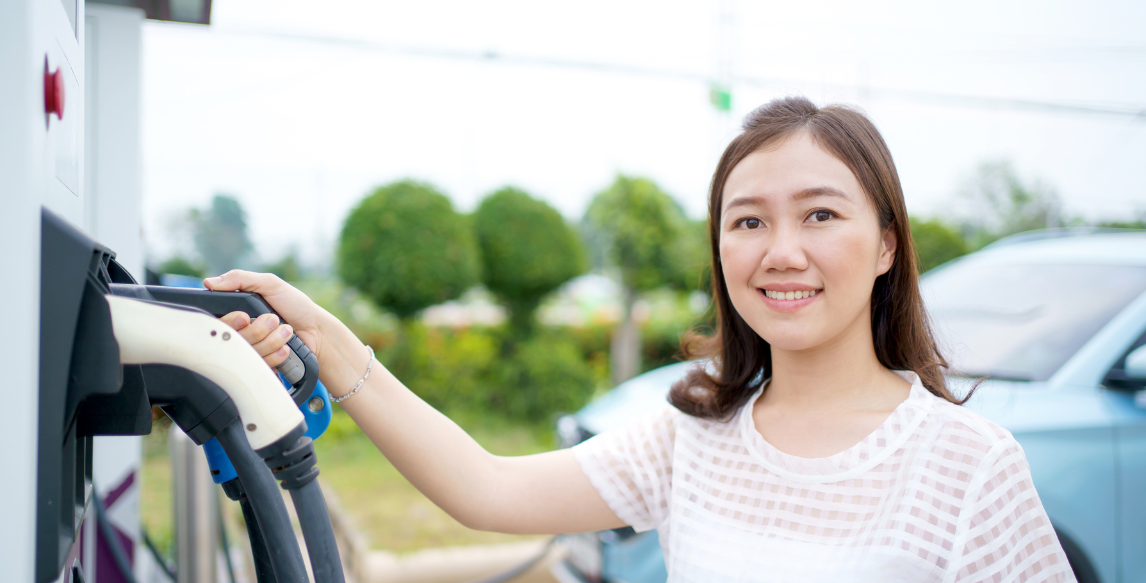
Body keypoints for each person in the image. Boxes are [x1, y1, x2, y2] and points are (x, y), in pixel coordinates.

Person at [205, 96, 1074, 582]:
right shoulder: (692, 438)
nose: (782, 250)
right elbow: (487, 489)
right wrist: (328, 337)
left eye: (820, 214)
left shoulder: (969, 465)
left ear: (887, 244)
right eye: (748, 221)